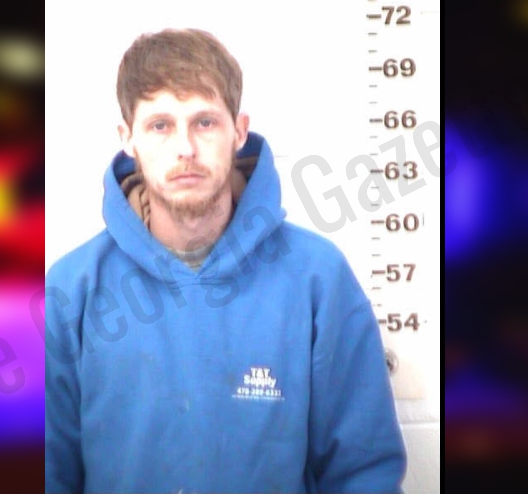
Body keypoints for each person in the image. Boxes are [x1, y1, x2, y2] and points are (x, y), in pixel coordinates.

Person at [45, 28, 407, 493]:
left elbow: (363, 474)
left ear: (239, 131)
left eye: (204, 122)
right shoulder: (72, 291)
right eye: (160, 125)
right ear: (127, 139)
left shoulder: (318, 278)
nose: (185, 148)